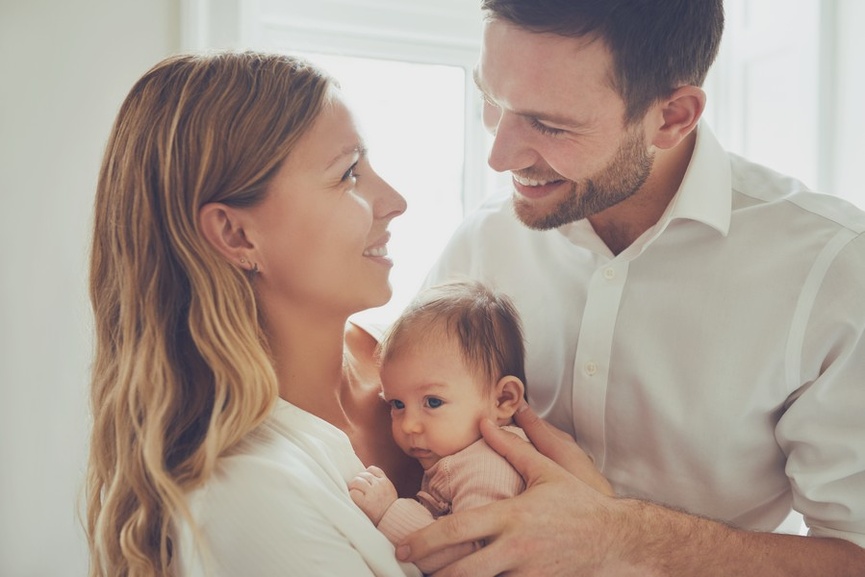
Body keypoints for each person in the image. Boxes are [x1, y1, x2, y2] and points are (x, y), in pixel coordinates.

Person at [397, 0, 865, 575]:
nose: (500, 156)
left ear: (672, 116)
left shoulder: (834, 270)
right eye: (491, 101)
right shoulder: (486, 238)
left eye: (549, 124)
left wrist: (624, 536)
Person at [85, 51, 425, 577]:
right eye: (349, 174)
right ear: (235, 234)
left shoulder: (424, 356)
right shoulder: (247, 496)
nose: (395, 201)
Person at [348, 281, 548, 574]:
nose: (410, 425)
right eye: (397, 404)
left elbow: (475, 556)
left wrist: (389, 512)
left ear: (504, 399)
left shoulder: (488, 465)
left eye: (433, 402)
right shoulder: (462, 456)